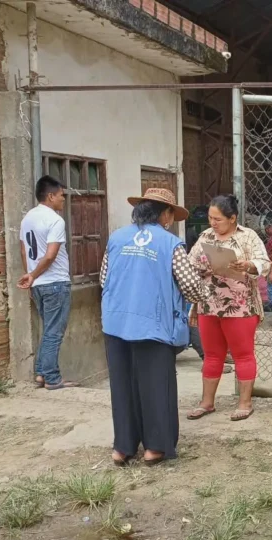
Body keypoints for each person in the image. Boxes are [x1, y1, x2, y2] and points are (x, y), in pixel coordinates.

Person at [100, 187, 205, 466]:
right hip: (153, 324)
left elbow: (104, 279)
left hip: (116, 322)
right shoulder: (170, 243)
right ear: (166, 215)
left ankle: (122, 447)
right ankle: (154, 447)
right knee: (156, 385)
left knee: (123, 386)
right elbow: (191, 286)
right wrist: (201, 297)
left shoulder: (117, 237)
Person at [186, 195, 270, 422]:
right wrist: (203, 268)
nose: (212, 223)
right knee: (212, 355)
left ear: (232, 218)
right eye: (211, 218)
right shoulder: (205, 236)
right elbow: (190, 264)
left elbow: (264, 263)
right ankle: (207, 402)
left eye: (218, 219)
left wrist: (249, 265)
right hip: (209, 305)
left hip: (240, 307)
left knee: (243, 354)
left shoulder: (248, 237)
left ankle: (245, 403)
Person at [17, 175, 78, 390]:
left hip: (39, 285)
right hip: (55, 283)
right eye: (61, 195)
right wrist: (33, 275)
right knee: (54, 332)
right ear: (51, 196)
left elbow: (24, 250)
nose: (63, 199)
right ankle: (52, 378)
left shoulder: (28, 218)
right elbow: (51, 255)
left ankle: (41, 374)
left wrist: (31, 275)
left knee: (48, 329)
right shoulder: (55, 220)